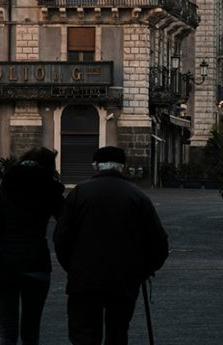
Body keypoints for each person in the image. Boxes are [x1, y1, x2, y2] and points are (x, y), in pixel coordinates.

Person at [54, 146, 169, 345]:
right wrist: (144, 269)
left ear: (96, 166)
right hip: (124, 278)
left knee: (84, 334)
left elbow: (61, 237)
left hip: (85, 279)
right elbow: (158, 242)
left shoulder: (80, 192)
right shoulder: (138, 196)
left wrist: (73, 267)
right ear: (123, 167)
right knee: (118, 333)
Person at [0, 148, 65, 345]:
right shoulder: (50, 187)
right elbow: (66, 224)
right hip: (36, 261)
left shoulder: (2, 184)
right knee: (31, 330)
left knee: (6, 331)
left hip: (2, 262)